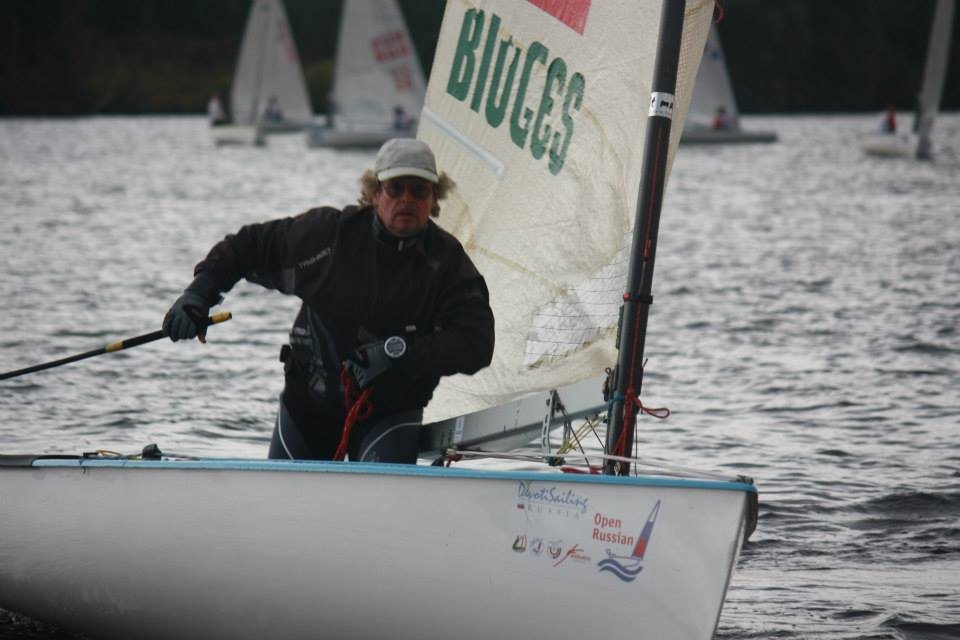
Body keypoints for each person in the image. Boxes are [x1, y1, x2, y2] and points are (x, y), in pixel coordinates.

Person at [162, 139, 494, 464]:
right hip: (308, 407)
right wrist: (198, 295)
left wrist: (399, 353)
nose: (406, 199)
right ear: (375, 193)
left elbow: (477, 343)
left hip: (389, 413)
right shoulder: (327, 236)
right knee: (285, 494)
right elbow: (248, 246)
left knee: (381, 489)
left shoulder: (448, 263)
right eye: (395, 188)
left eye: (419, 190)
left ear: (434, 198)